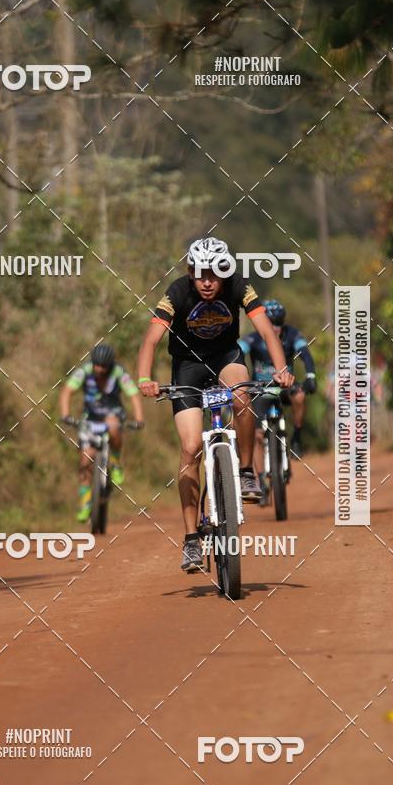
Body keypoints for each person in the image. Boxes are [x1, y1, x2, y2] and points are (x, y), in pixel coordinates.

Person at [137, 238, 294, 572]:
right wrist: (144, 379)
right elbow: (151, 339)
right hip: (187, 367)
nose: (207, 281)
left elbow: (266, 331)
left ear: (226, 272)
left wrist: (281, 369)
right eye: (199, 274)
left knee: (241, 392)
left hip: (226, 358)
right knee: (191, 447)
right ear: (189, 272)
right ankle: (191, 538)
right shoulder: (178, 292)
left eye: (214, 273)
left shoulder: (239, 286)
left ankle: (248, 471)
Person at [59, 344, 144, 522]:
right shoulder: (84, 372)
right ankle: (85, 503)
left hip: (113, 415)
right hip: (90, 419)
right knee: (85, 460)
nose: (99, 370)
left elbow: (133, 394)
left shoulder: (119, 373)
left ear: (110, 365)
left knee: (113, 424)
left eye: (103, 367)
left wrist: (139, 417)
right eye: (97, 365)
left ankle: (115, 461)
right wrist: (65, 414)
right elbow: (67, 390)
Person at [238, 299, 316, 471]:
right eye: (271, 323)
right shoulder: (252, 339)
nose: (275, 327)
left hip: (284, 388)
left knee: (300, 395)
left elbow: (306, 355)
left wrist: (310, 375)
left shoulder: (293, 335)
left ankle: (296, 435)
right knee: (257, 435)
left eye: (279, 322)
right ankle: (259, 480)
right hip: (261, 390)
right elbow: (238, 353)